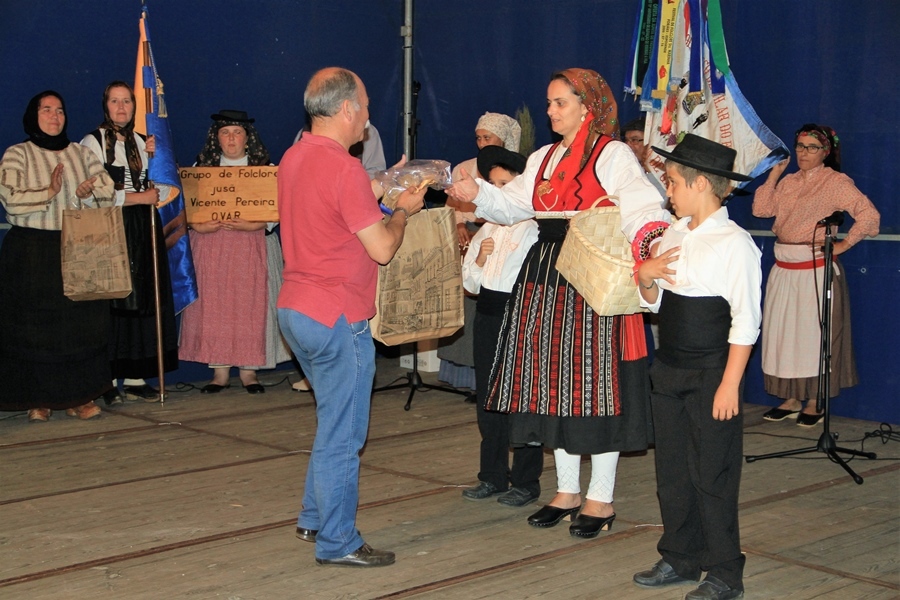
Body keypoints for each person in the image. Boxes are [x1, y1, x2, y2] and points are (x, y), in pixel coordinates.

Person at [447, 69, 672, 538]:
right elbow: (512, 204)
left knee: (595, 387)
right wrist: (477, 194)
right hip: (547, 273)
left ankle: (601, 497)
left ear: (586, 106)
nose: (550, 111)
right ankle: (567, 490)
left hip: (592, 270)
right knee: (556, 384)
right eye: (548, 103)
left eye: (559, 103)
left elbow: (641, 208)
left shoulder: (611, 155)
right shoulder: (543, 157)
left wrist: (648, 252)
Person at [277, 67, 424, 567]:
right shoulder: (343, 169)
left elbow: (339, 205)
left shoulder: (294, 158)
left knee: (331, 421)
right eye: (363, 106)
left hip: (296, 311)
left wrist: (383, 186)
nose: (367, 116)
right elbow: (382, 248)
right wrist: (403, 210)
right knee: (345, 434)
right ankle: (337, 542)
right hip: (339, 316)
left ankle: (314, 515)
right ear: (345, 109)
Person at [632, 134, 760, 600]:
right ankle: (681, 555)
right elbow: (655, 304)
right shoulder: (674, 233)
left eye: (672, 183)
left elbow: (746, 322)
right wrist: (645, 278)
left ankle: (726, 570)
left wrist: (729, 384)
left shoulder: (735, 244)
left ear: (701, 184)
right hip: (668, 368)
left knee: (713, 473)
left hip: (711, 373)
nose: (667, 192)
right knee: (673, 471)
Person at [752, 124, 879, 426]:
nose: (803, 153)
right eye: (799, 146)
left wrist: (844, 244)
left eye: (811, 147)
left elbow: (869, 215)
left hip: (814, 269)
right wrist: (774, 174)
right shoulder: (788, 182)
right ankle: (791, 397)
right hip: (784, 269)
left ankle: (814, 400)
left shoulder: (835, 182)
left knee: (812, 337)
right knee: (784, 336)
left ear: (826, 152)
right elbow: (761, 209)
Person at [0, 90, 116, 421]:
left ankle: (80, 397)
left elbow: (109, 190)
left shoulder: (81, 153)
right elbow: (9, 198)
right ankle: (39, 400)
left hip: (80, 246)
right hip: (32, 250)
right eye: (47, 110)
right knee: (34, 327)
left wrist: (90, 189)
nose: (55, 116)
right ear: (32, 116)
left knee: (82, 325)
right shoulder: (16, 154)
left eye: (60, 110)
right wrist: (49, 192)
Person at [179, 110, 291, 394]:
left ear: (247, 138)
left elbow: (278, 207)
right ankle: (219, 372)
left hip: (250, 245)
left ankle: (249, 371)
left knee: (249, 305)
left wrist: (254, 223)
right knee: (215, 307)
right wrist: (197, 226)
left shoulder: (265, 169)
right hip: (213, 245)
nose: (231, 138)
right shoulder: (201, 168)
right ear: (216, 137)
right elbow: (189, 207)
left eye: (237, 132)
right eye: (225, 132)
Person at [80, 81, 178, 404]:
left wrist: (158, 163)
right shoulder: (91, 144)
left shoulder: (142, 142)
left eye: (126, 102)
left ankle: (136, 375)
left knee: (143, 300)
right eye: (114, 101)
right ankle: (105, 379)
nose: (121, 108)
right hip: (109, 227)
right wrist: (139, 197)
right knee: (112, 301)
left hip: (142, 227)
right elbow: (96, 195)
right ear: (104, 105)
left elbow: (160, 191)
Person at [460, 145, 542, 506]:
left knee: (523, 398)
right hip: (489, 316)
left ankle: (526, 480)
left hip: (520, 316)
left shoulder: (535, 229)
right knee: (489, 399)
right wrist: (478, 258)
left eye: (505, 184)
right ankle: (492, 475)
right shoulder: (488, 227)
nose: (497, 192)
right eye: (492, 185)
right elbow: (471, 283)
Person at [439, 112, 523, 393]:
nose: (482, 142)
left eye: (488, 137)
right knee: (472, 305)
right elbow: (453, 203)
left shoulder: (517, 170)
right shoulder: (467, 166)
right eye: (479, 137)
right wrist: (460, 224)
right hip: (475, 237)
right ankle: (470, 377)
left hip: (501, 238)